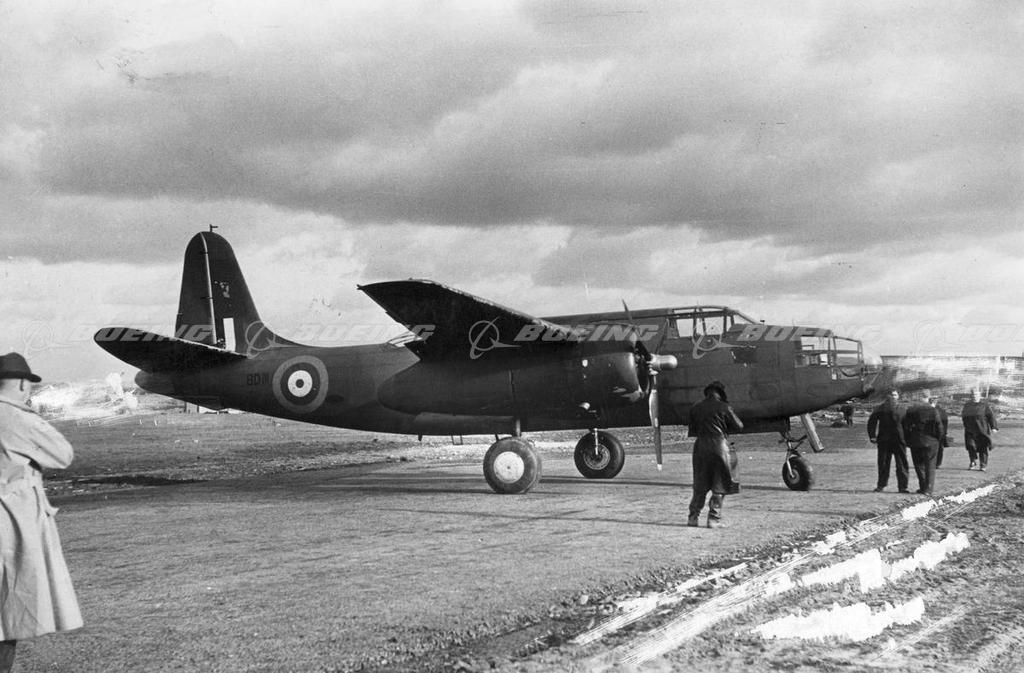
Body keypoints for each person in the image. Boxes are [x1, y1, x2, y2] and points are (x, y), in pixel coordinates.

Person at [0, 353, 82, 673]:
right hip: (12, 520)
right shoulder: (18, 417)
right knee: (8, 609)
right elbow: (62, 455)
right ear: (23, 384)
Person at [686, 380, 743, 528]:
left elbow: (692, 430)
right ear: (721, 393)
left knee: (700, 485)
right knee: (720, 485)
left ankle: (693, 517)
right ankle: (713, 519)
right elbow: (739, 426)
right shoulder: (725, 407)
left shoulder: (696, 408)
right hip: (720, 447)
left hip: (700, 447)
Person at [867, 389, 910, 493]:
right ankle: (881, 485)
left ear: (898, 396)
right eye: (891, 395)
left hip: (898, 440)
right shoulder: (880, 408)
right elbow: (872, 422)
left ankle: (902, 487)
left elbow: (907, 424)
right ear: (887, 396)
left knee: (901, 463)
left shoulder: (903, 408)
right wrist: (872, 436)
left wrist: (908, 438)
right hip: (885, 440)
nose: (892, 397)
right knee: (883, 463)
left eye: (894, 395)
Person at [903, 393, 945, 496]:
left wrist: (908, 440)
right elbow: (939, 426)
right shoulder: (933, 410)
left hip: (916, 440)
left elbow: (905, 426)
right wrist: (938, 438)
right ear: (928, 399)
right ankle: (928, 489)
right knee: (930, 465)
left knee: (919, 465)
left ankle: (922, 486)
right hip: (931, 441)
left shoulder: (911, 410)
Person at [962, 387, 998, 471]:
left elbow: (991, 416)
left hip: (982, 430)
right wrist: (966, 425)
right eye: (973, 395)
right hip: (970, 430)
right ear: (971, 396)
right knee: (970, 445)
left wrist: (993, 427)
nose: (974, 396)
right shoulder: (967, 405)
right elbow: (964, 416)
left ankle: (983, 465)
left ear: (979, 395)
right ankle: (973, 461)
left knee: (983, 447)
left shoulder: (984, 406)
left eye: (976, 394)